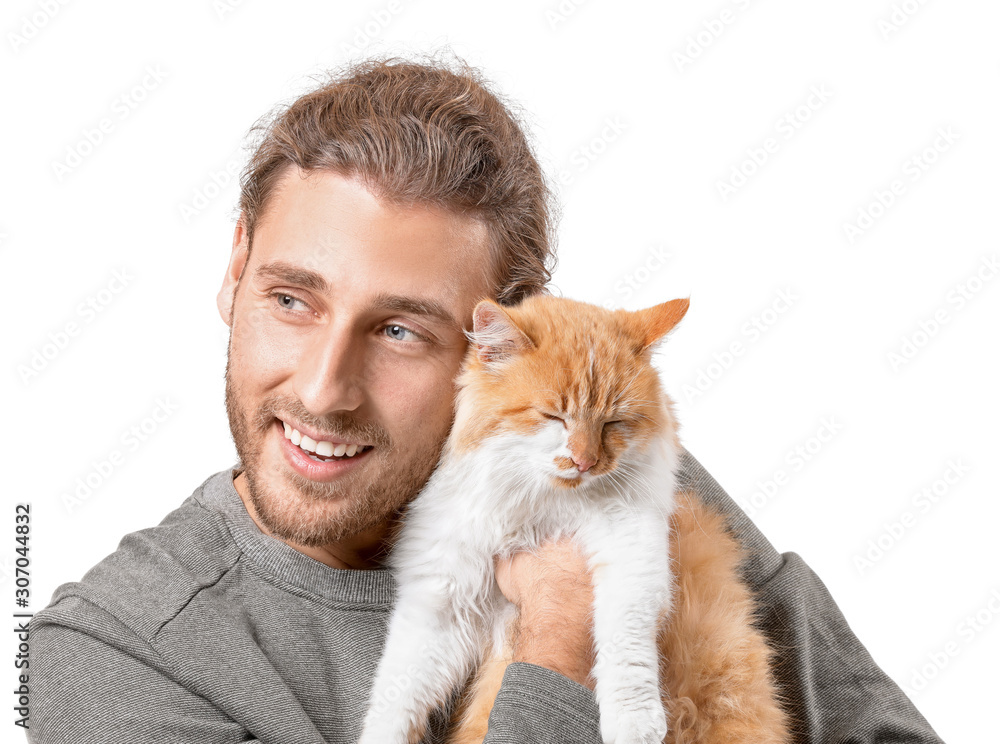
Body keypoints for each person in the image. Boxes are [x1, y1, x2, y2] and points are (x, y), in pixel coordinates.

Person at [29, 55, 944, 744]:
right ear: (234, 272)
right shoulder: (115, 658)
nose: (321, 389)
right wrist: (557, 643)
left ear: (492, 347)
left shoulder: (591, 461)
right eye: (292, 299)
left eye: (401, 331)